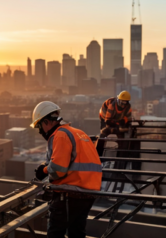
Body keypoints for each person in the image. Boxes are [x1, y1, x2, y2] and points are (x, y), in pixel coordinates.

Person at [31, 101, 102, 238]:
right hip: (88, 192)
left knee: (55, 234)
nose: (40, 131)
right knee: (76, 233)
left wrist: (43, 170)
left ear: (47, 122)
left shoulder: (60, 135)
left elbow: (58, 170)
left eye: (39, 126)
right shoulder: (78, 133)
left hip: (70, 194)